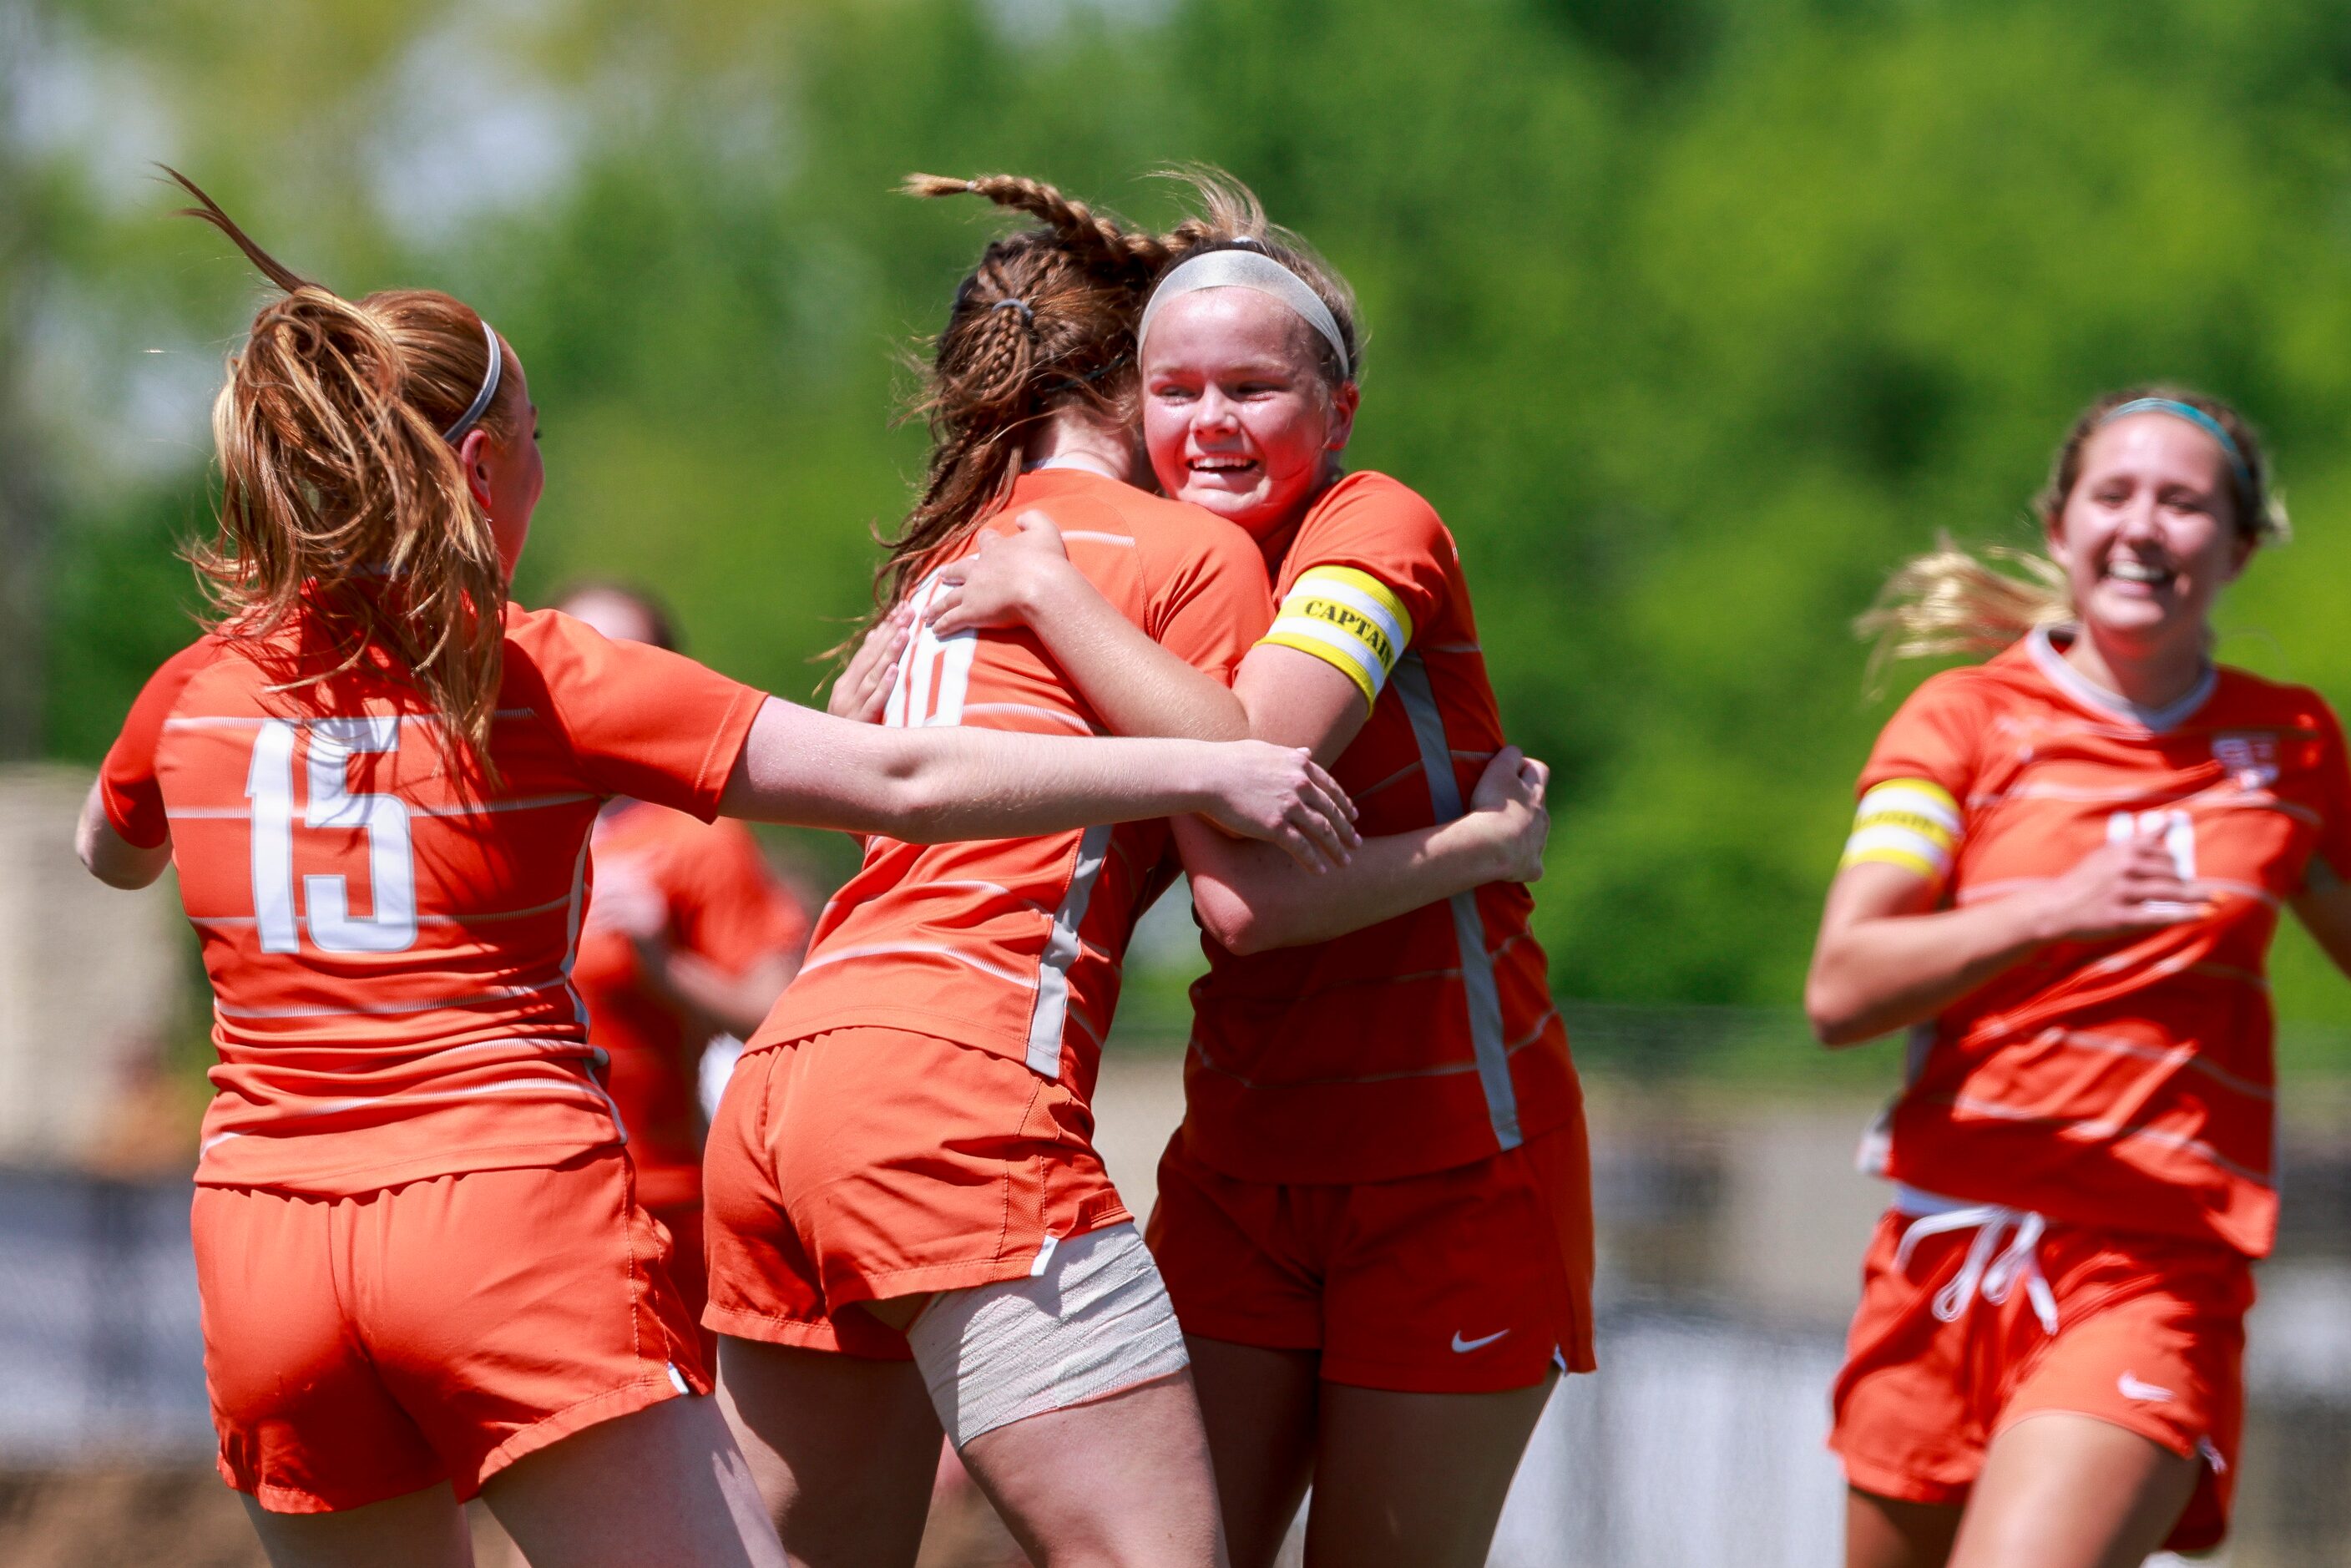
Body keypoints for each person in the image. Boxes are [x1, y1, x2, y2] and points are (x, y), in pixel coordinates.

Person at [75, 171, 1355, 1568]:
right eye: (537, 442)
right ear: (482, 471)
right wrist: (1206, 763)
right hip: (500, 1212)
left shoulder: (193, 685)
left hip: (264, 1246)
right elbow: (906, 782)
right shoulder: (536, 669)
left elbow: (107, 846)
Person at [705, 175, 1552, 1568]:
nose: (1208, 420)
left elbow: (868, 738)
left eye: (1247, 384)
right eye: (1177, 383)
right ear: (1128, 385)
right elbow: (1246, 808)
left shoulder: (945, 563)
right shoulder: (1189, 554)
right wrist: (1482, 847)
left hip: (785, 1083)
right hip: (955, 1087)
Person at [1804, 390, 2351, 1567]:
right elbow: (1843, 986)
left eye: (2185, 502)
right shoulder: (1961, 720)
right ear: (2062, 526)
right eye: (2115, 495)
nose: (2144, 526)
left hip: (2155, 1264)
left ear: (2241, 545)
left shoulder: (2294, 748)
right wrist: (2055, 909)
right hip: (1946, 1251)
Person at [559, 583, 813, 1343]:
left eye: (626, 659)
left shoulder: (695, 838)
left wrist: (665, 966)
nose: (597, 681)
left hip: (657, 1200)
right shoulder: (500, 819)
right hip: (513, 1195)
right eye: (577, 655)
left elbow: (778, 1014)